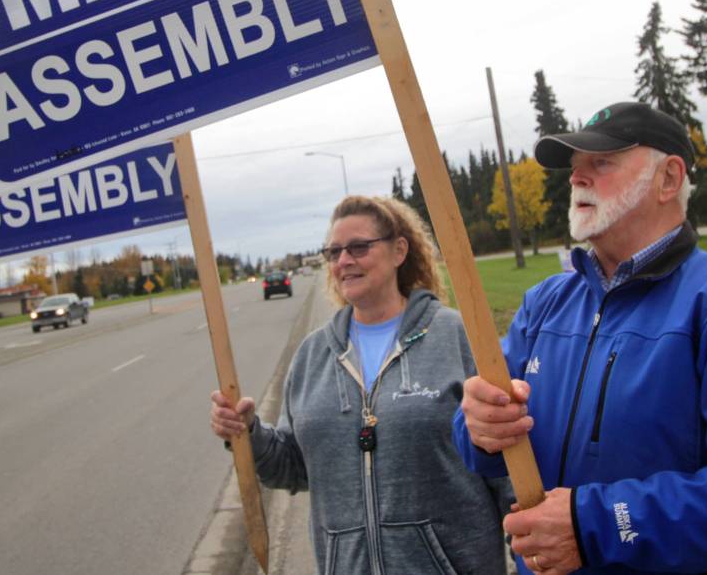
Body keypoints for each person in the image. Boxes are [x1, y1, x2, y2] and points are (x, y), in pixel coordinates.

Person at [453, 101, 707, 575]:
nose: (577, 179)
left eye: (601, 162)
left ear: (670, 179)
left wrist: (596, 524)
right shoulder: (545, 304)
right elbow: (485, 442)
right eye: (574, 169)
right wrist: (480, 429)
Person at [211, 195, 512, 574]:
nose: (343, 261)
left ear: (399, 250)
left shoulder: (456, 335)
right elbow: (293, 468)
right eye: (333, 252)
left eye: (358, 247)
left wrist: (531, 552)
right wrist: (249, 434)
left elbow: (506, 465)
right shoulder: (312, 355)